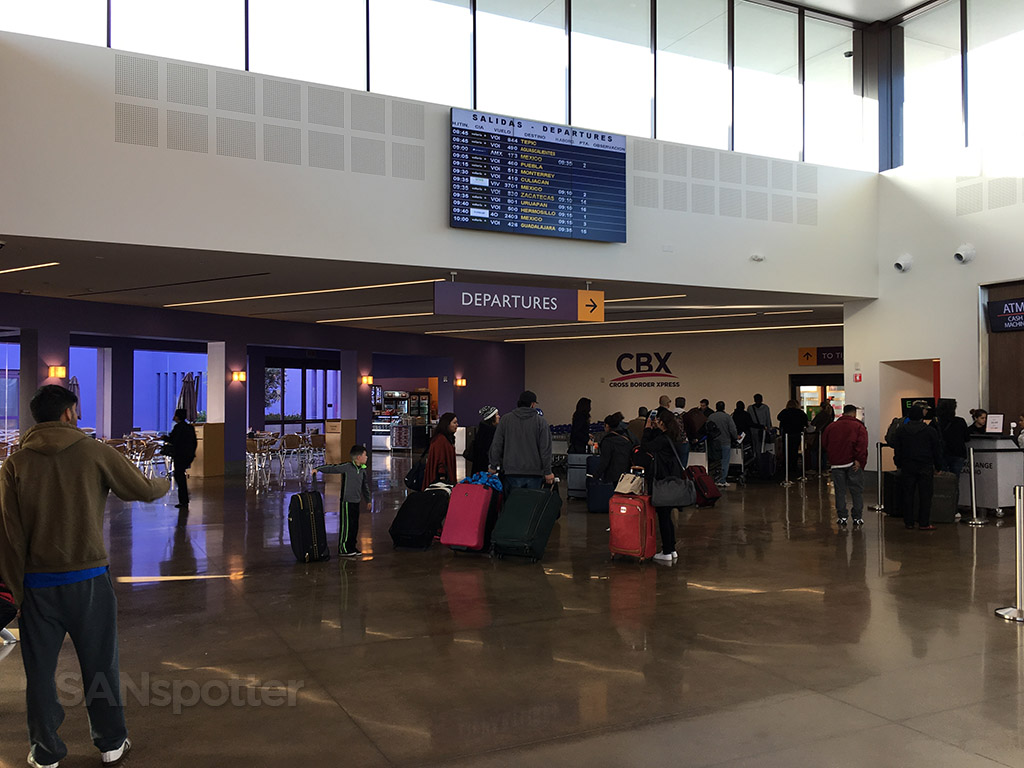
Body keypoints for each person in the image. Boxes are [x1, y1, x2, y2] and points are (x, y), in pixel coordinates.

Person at [0, 385, 169, 768]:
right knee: (100, 664)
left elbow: (8, 535)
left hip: (37, 587)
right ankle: (111, 742)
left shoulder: (17, 463)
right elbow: (141, 488)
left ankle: (45, 752)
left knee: (39, 674)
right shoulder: (94, 452)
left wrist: (15, 593)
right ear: (69, 413)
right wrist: (168, 482)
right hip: (89, 580)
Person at [641, 407, 687, 564]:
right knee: (668, 516)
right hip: (672, 480)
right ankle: (671, 548)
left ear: (661, 422)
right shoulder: (671, 437)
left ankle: (667, 551)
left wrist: (647, 428)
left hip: (662, 482)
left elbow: (645, 446)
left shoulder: (662, 440)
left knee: (664, 517)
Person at [891, 406, 944, 530]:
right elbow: (936, 450)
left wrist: (898, 463)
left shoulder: (901, 430)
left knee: (908, 494)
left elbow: (897, 449)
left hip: (907, 465)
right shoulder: (929, 431)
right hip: (925, 465)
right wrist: (938, 466)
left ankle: (909, 522)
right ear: (922, 416)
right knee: (925, 495)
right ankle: (924, 522)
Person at [489, 390, 554, 491]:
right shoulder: (541, 422)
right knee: (531, 505)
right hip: (534, 473)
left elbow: (497, 445)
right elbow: (545, 449)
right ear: (532, 404)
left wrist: (493, 465)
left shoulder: (505, 420)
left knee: (512, 505)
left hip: (510, 472)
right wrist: (548, 472)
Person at [315, 444, 371, 557]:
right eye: (365, 455)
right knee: (347, 525)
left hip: (356, 501)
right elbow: (333, 468)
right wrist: (318, 469)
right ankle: (344, 548)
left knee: (354, 526)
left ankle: (352, 547)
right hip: (347, 502)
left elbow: (365, 486)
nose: (367, 457)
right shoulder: (347, 467)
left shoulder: (362, 470)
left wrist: (368, 500)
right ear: (358, 457)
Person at [821, 404, 869, 527]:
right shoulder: (858, 426)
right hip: (853, 464)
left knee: (839, 491)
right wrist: (859, 460)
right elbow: (862, 445)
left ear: (843, 412)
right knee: (856, 491)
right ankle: (857, 517)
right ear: (854, 413)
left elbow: (825, 443)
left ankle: (842, 517)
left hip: (836, 464)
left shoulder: (832, 426)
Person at [162, 407, 197, 509]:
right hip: (188, 455)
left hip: (179, 455)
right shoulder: (190, 428)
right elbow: (194, 442)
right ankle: (184, 499)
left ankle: (183, 500)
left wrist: (165, 438)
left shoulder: (178, 428)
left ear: (177, 417)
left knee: (179, 477)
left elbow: (174, 440)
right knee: (181, 475)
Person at [707, 401, 739, 488]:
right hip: (725, 442)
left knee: (714, 462)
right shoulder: (727, 417)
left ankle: (714, 479)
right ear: (724, 407)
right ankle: (722, 480)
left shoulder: (711, 416)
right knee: (724, 461)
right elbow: (733, 430)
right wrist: (736, 437)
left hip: (713, 443)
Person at [596, 412, 634, 484]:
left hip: (612, 475)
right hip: (626, 473)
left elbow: (605, 461)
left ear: (607, 425)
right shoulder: (627, 437)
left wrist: (596, 475)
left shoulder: (607, 441)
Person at [935, 398, 969, 477]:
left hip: (941, 453)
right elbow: (967, 438)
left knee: (943, 480)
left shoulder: (935, 422)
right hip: (958, 453)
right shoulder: (960, 421)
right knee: (955, 478)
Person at [424, 412, 458, 486]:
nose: (456, 425)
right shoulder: (441, 440)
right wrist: (442, 476)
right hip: (440, 478)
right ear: (447, 424)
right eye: (454, 422)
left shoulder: (446, 438)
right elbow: (440, 459)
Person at [777, 399, 810, 476]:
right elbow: (805, 422)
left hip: (786, 435)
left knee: (786, 451)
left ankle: (786, 467)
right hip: (797, 434)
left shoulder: (785, 412)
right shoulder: (800, 413)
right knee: (794, 450)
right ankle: (794, 466)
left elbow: (778, 418)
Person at [469, 405, 500, 476]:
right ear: (492, 418)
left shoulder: (481, 430)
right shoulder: (491, 432)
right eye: (497, 415)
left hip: (478, 469)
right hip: (486, 470)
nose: (499, 417)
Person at [808, 399, 836, 472]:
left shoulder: (821, 414)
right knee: (824, 451)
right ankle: (824, 467)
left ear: (821, 407)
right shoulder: (830, 414)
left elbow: (813, 423)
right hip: (827, 434)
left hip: (819, 434)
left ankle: (814, 467)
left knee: (814, 451)